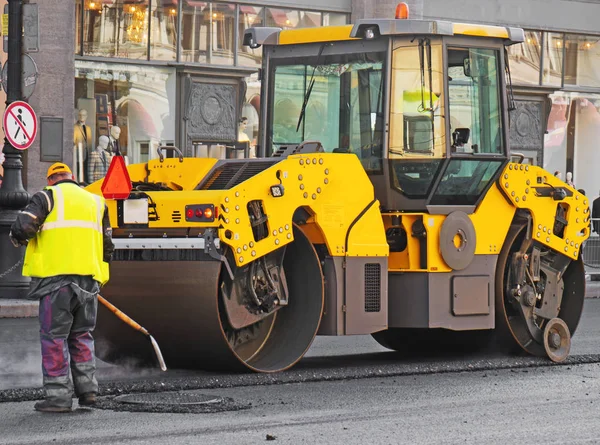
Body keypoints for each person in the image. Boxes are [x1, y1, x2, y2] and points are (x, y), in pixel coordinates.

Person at [8, 162, 114, 413]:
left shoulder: (47, 196)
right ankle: (88, 392)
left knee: (54, 338)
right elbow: (107, 246)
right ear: (73, 178)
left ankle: (57, 398)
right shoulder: (96, 202)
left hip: (56, 282)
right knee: (82, 335)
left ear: (50, 180)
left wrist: (18, 239)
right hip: (89, 282)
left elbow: (23, 226)